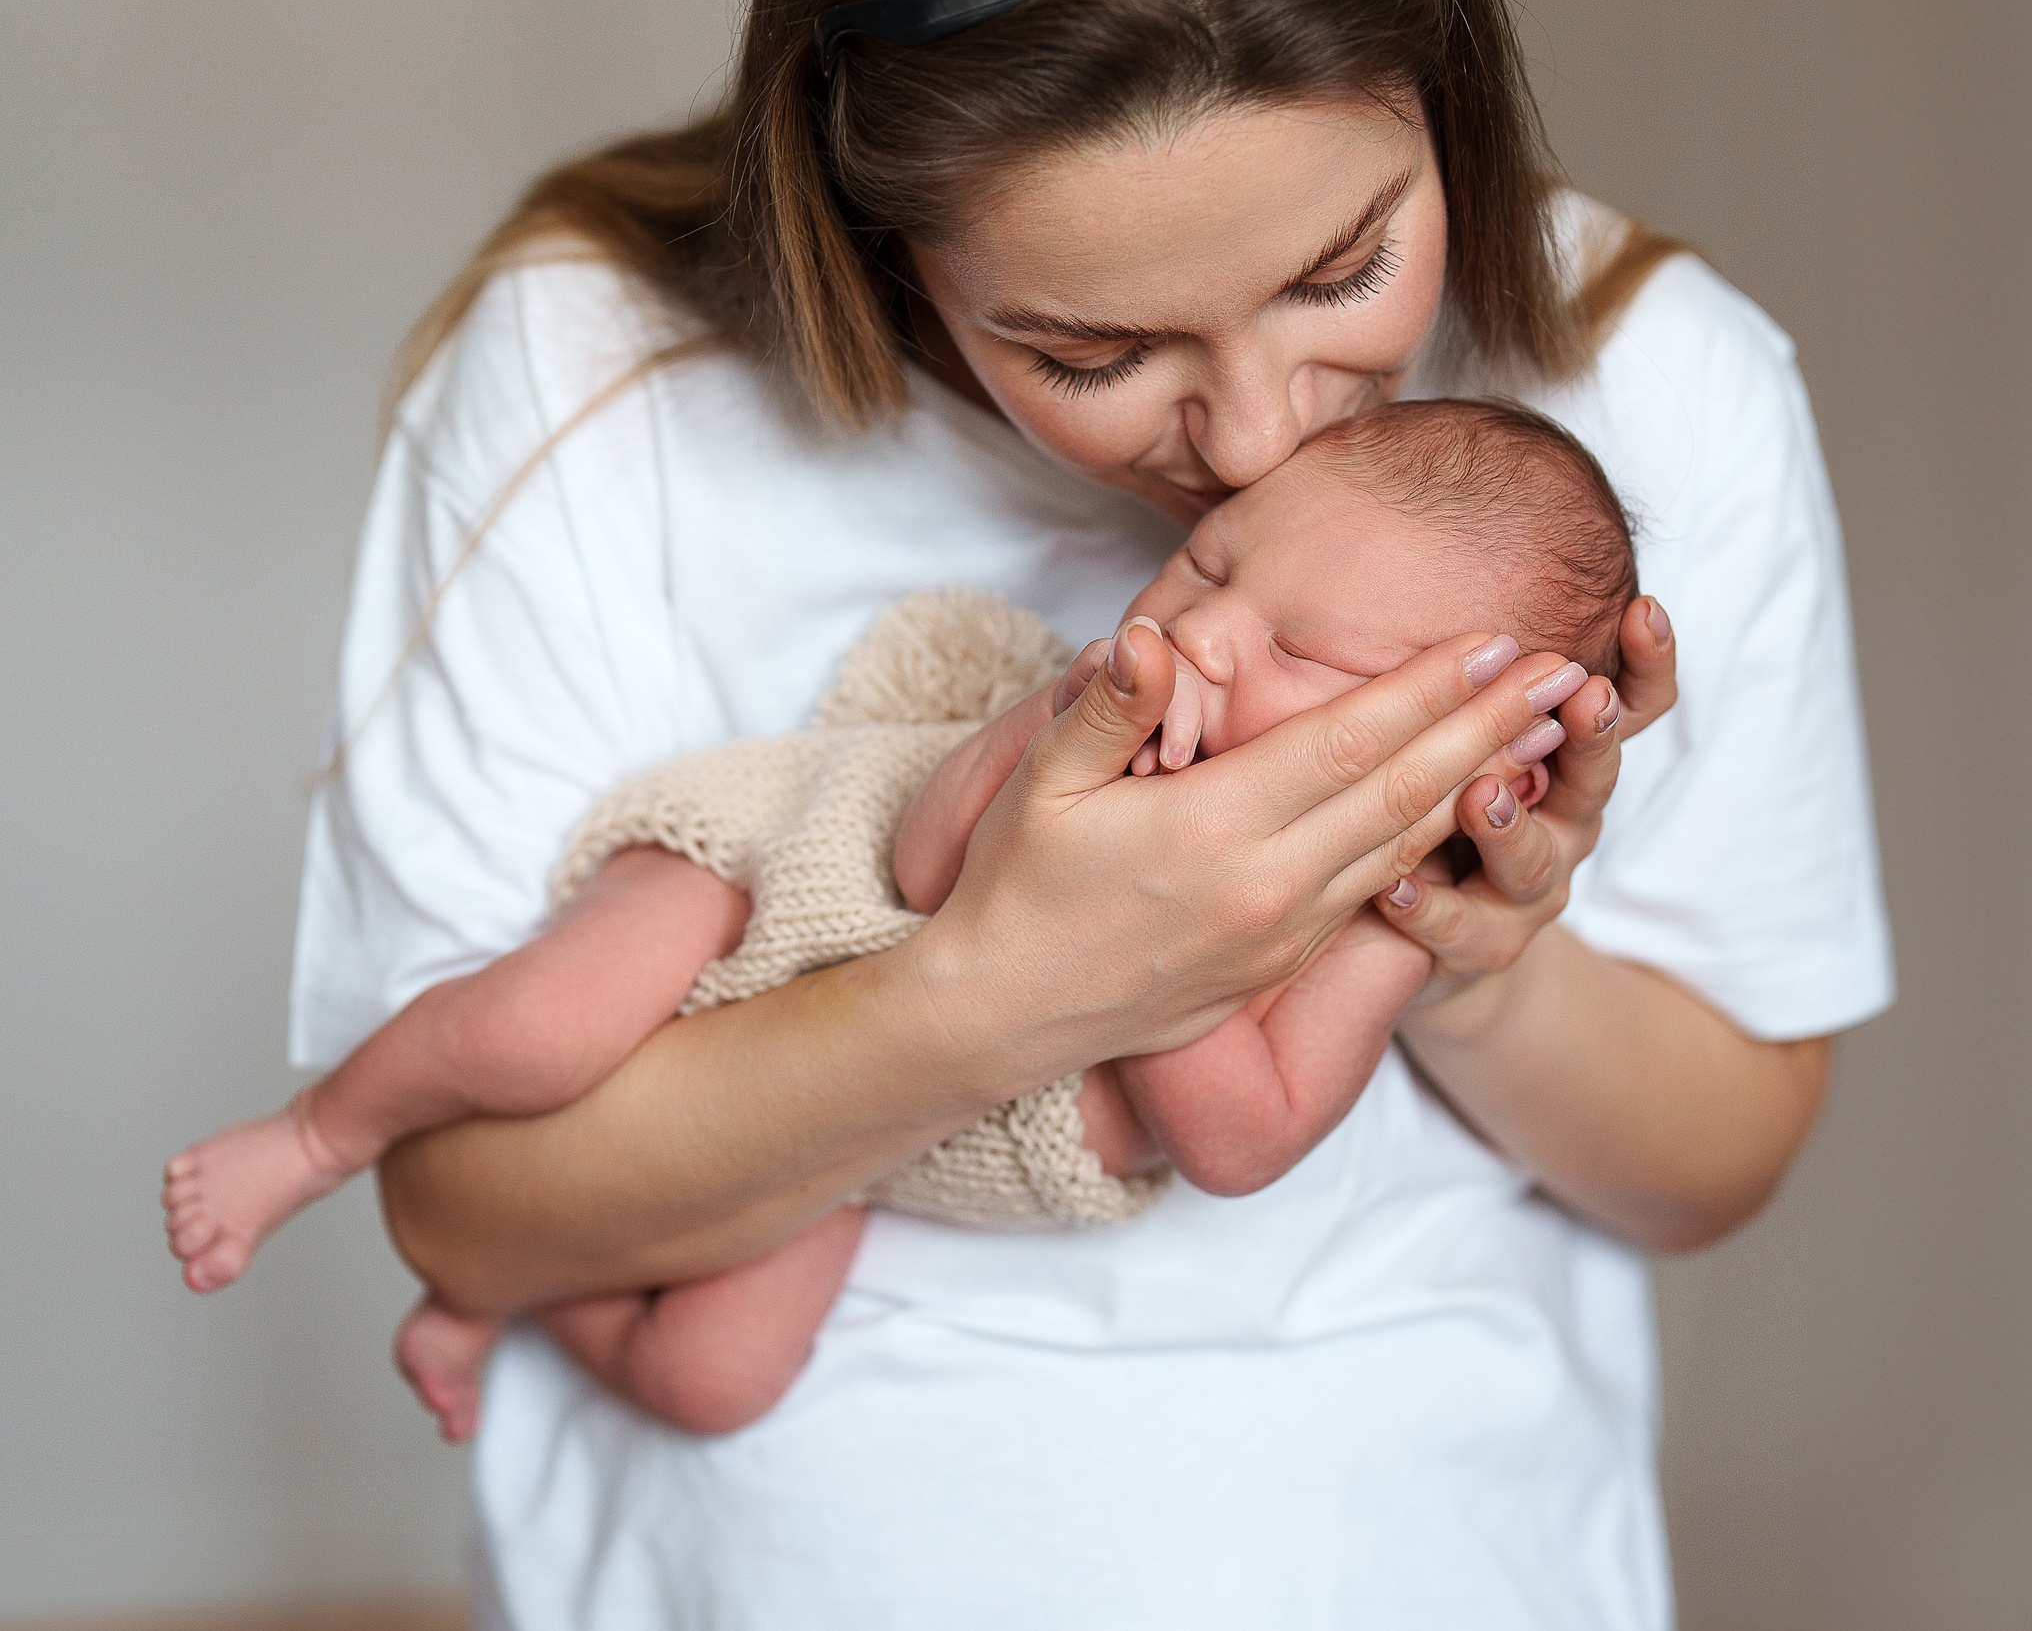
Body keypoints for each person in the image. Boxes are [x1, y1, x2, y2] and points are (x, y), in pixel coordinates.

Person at [289, 0, 1892, 1623]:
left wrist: (1475, 958)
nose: (1264, 439)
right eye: (1093, 353)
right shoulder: (594, 375)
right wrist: (998, 987)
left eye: (1347, 268)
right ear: (869, 217)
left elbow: (1716, 1159)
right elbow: (464, 1211)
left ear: (1444, 85)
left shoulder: (1651, 388)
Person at [167, 398, 1628, 1448]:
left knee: (716, 1377)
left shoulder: (1377, 922)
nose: (1210, 629)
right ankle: (316, 1135)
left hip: (861, 1129)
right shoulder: (1097, 715)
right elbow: (930, 865)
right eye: (1214, 563)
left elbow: (1241, 1139)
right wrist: (1081, 756)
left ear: (1468, 765)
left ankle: (499, 1308)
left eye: (1304, 651)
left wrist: (1273, 948)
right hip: (773, 876)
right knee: (539, 1034)